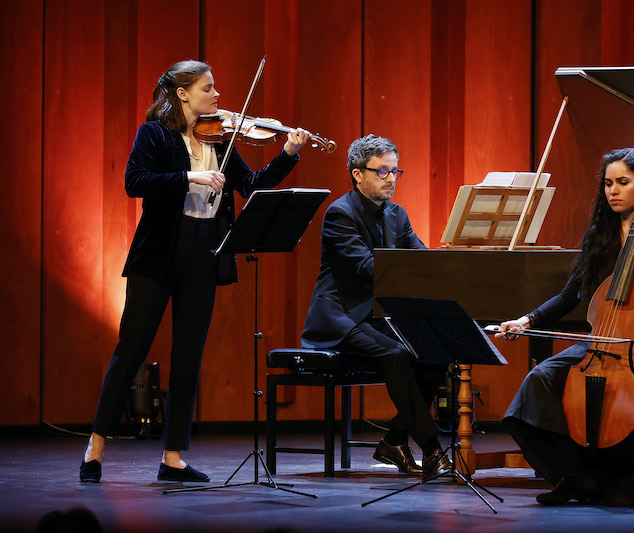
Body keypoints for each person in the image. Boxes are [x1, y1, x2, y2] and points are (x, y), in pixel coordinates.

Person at [79, 60, 310, 483]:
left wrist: (288, 154)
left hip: (205, 250)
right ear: (183, 94)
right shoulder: (154, 133)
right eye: (208, 88)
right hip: (159, 252)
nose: (217, 95)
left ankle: (173, 458)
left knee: (189, 356)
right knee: (131, 350)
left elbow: (251, 184)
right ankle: (95, 447)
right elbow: (135, 181)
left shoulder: (220, 138)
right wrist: (190, 176)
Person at [497, 147, 634, 508]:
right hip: (605, 337)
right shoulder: (602, 234)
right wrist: (527, 320)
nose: (613, 190)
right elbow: (570, 295)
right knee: (541, 378)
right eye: (608, 183)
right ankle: (573, 474)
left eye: (623, 182)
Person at [301, 134, 452, 479]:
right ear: (357, 174)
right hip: (342, 317)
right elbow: (368, 268)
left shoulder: (397, 214)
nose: (391, 179)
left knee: (436, 353)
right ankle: (432, 450)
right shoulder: (340, 214)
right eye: (382, 172)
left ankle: (394, 441)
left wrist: (447, 265)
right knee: (396, 355)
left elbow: (420, 258)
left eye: (395, 172)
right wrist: (416, 273)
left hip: (377, 316)